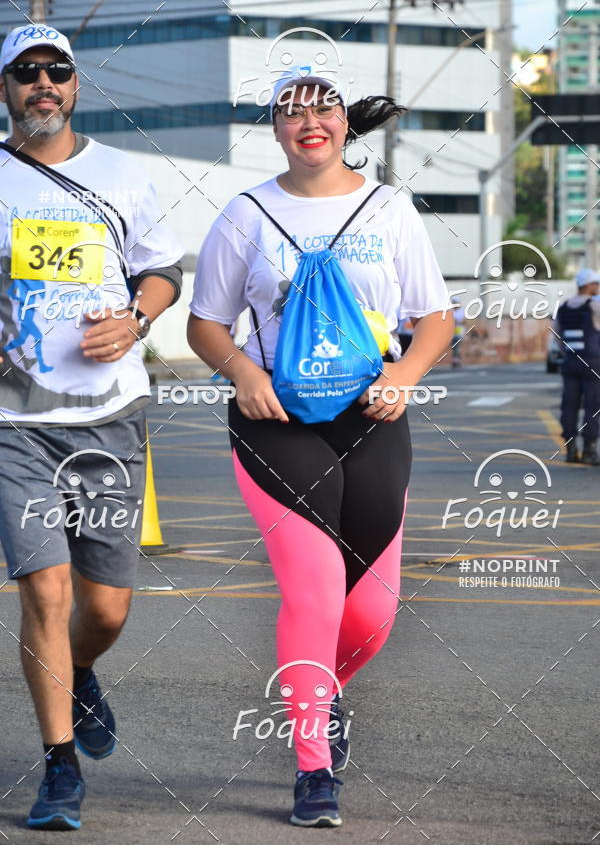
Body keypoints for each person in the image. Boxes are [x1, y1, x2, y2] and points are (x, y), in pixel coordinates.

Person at [188, 68, 453, 828]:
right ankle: (313, 769)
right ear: (273, 128)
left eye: (324, 106)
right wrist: (240, 371)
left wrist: (405, 373)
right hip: (276, 425)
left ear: (344, 123)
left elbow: (435, 315)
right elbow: (206, 321)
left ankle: (321, 692)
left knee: (370, 614)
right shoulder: (245, 214)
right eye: (290, 110)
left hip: (372, 417)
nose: (309, 120)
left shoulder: (388, 208)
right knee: (312, 592)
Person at [0, 24, 184, 831]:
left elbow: (163, 269)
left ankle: (79, 670)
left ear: (76, 86)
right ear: (4, 89)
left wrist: (137, 318)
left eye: (57, 71)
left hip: (110, 415)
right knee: (45, 587)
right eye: (26, 72)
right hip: (14, 418)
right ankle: (60, 768)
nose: (43, 83)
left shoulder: (121, 175)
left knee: (104, 609)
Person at [555, 268, 600, 465]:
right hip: (592, 361)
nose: (598, 287)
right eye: (596, 284)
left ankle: (571, 450)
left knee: (569, 404)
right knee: (593, 405)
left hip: (570, 362)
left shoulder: (564, 307)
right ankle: (589, 450)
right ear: (589, 285)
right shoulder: (595, 306)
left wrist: (568, 355)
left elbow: (557, 337)